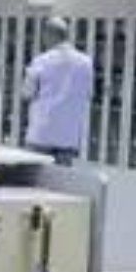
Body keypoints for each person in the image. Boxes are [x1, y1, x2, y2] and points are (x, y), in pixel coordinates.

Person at [23, 16, 93, 165]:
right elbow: (88, 94)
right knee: (60, 178)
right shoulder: (86, 63)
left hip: (41, 135)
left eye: (44, 35)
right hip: (68, 138)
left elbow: (27, 93)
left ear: (50, 34)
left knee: (34, 177)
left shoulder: (41, 61)